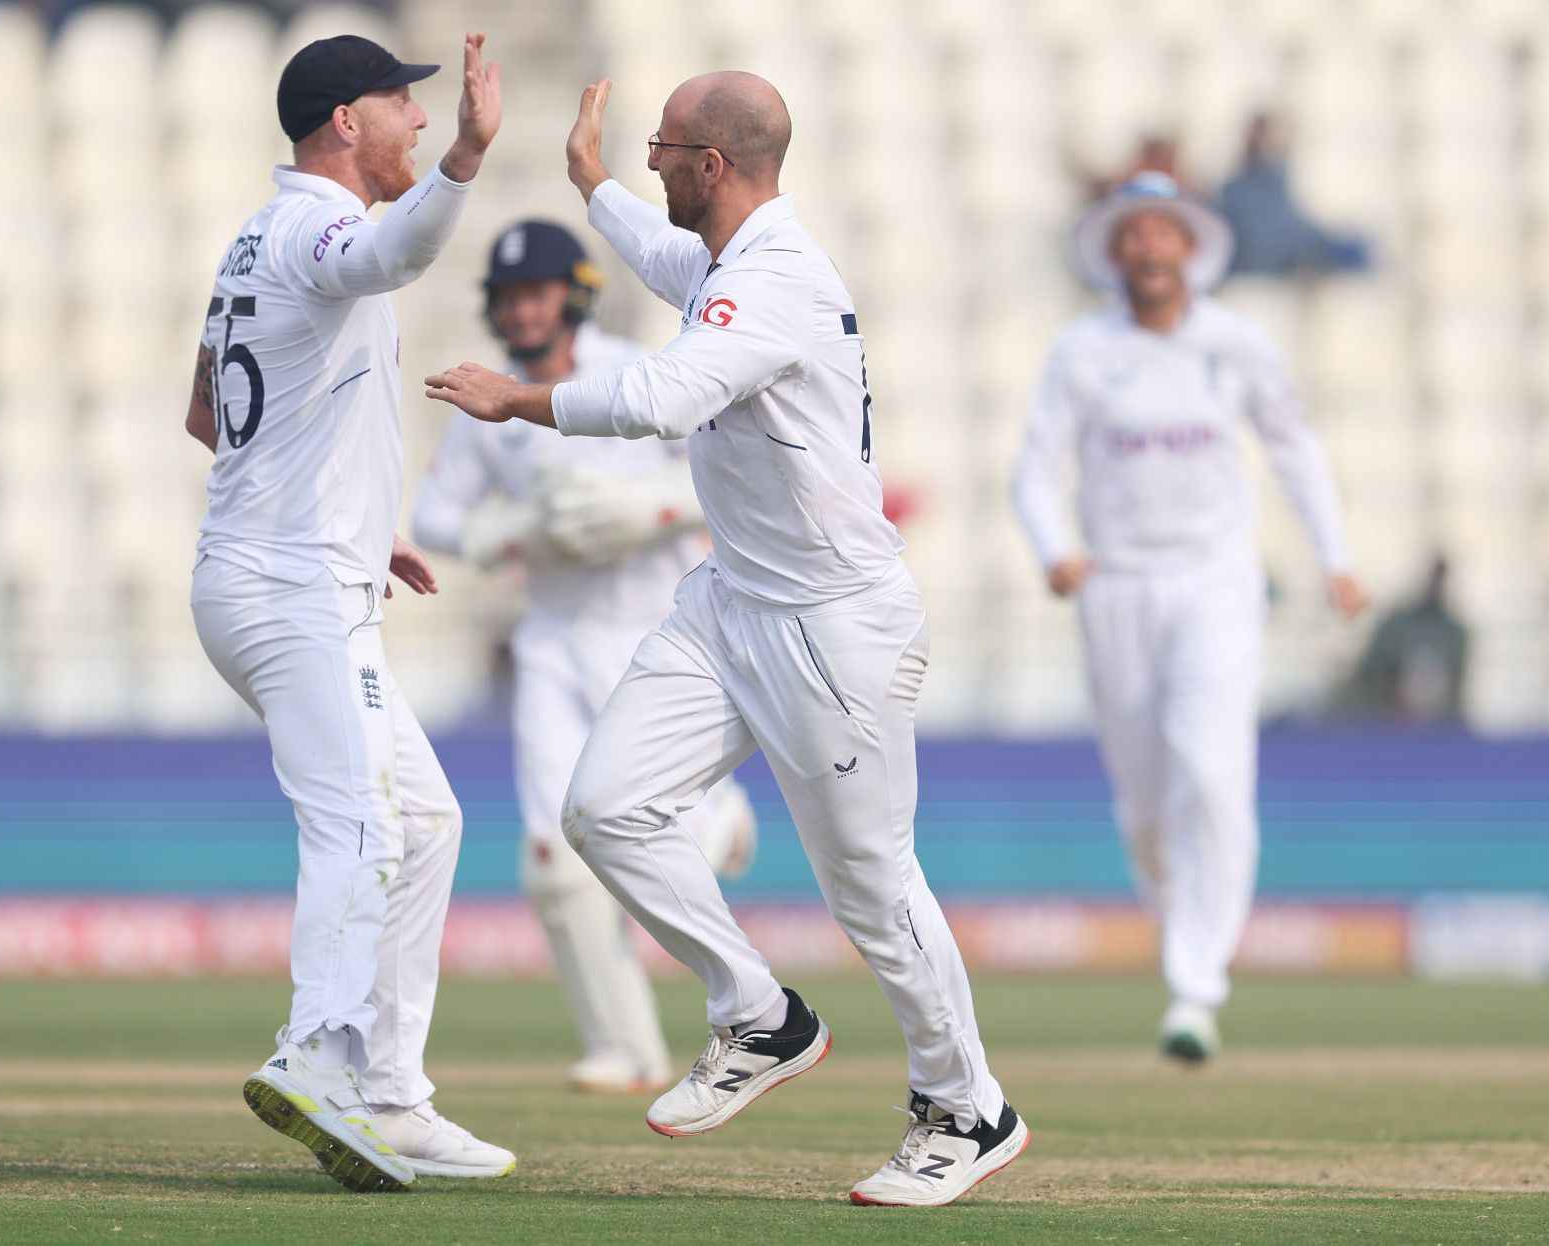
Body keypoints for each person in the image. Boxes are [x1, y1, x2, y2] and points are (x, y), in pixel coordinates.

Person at [425, 72, 1028, 1209]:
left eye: (663, 149)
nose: (655, 160)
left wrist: (520, 399)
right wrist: (594, 184)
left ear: (713, 165)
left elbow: (664, 396)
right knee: (604, 809)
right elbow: (665, 262)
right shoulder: (724, 260)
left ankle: (969, 1106)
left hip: (832, 623)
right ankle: (759, 1012)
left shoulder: (777, 280)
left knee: (869, 885)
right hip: (732, 601)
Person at [184, 32, 513, 1193]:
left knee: (425, 822)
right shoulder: (322, 229)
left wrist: (364, 513)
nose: (418, 121)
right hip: (291, 584)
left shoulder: (252, 240)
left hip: (275, 568)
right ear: (342, 124)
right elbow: (396, 252)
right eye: (401, 104)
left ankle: (392, 1094)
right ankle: (315, 1054)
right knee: (364, 823)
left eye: (431, 114)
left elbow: (205, 413)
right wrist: (470, 159)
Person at [1011, 172, 1369, 1063]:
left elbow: (1295, 447)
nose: (1150, 248)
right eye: (1134, 234)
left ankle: (1195, 988)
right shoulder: (1082, 349)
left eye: (1163, 232)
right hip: (1117, 586)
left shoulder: (1236, 342)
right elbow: (1034, 468)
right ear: (1115, 250)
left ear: (1189, 245)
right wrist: (1056, 546)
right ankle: (1181, 938)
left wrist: (1337, 559)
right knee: (1144, 801)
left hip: (1216, 580)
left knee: (1211, 774)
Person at [411, 218, 757, 1096]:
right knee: (552, 863)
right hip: (553, 639)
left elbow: (728, 470)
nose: (525, 311)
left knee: (652, 829)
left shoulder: (637, 366)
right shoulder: (491, 404)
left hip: (655, 627)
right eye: (510, 297)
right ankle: (623, 1048)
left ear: (576, 293)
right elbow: (437, 517)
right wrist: (508, 529)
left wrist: (650, 513)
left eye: (539, 293)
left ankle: (724, 818)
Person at [1220, 113, 1371, 277]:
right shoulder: (1234, 189)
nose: (1269, 145)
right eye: (1264, 137)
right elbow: (1264, 236)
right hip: (1269, 259)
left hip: (1291, 250)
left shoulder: (1277, 179)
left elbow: (1291, 222)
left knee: (1355, 249)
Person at [1338, 555, 1467, 723]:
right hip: (1390, 725)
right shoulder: (1396, 627)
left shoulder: (1454, 633)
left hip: (1436, 731)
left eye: (1441, 577)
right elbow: (1371, 674)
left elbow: (1456, 690)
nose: (1436, 583)